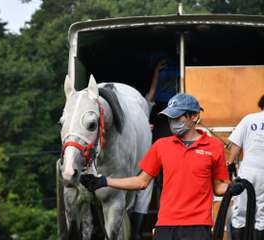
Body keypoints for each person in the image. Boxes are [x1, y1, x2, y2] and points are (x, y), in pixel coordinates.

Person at [80, 93, 244, 240]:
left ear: (194, 116)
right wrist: (104, 181)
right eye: (170, 118)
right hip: (166, 225)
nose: (173, 123)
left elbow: (219, 187)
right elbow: (141, 182)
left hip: (198, 226)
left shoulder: (214, 147)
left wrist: (233, 187)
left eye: (177, 118)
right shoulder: (161, 146)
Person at [228, 94, 264, 240]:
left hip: (247, 170)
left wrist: (230, 163)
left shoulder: (249, 119)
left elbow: (236, 145)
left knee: (240, 213)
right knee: (261, 216)